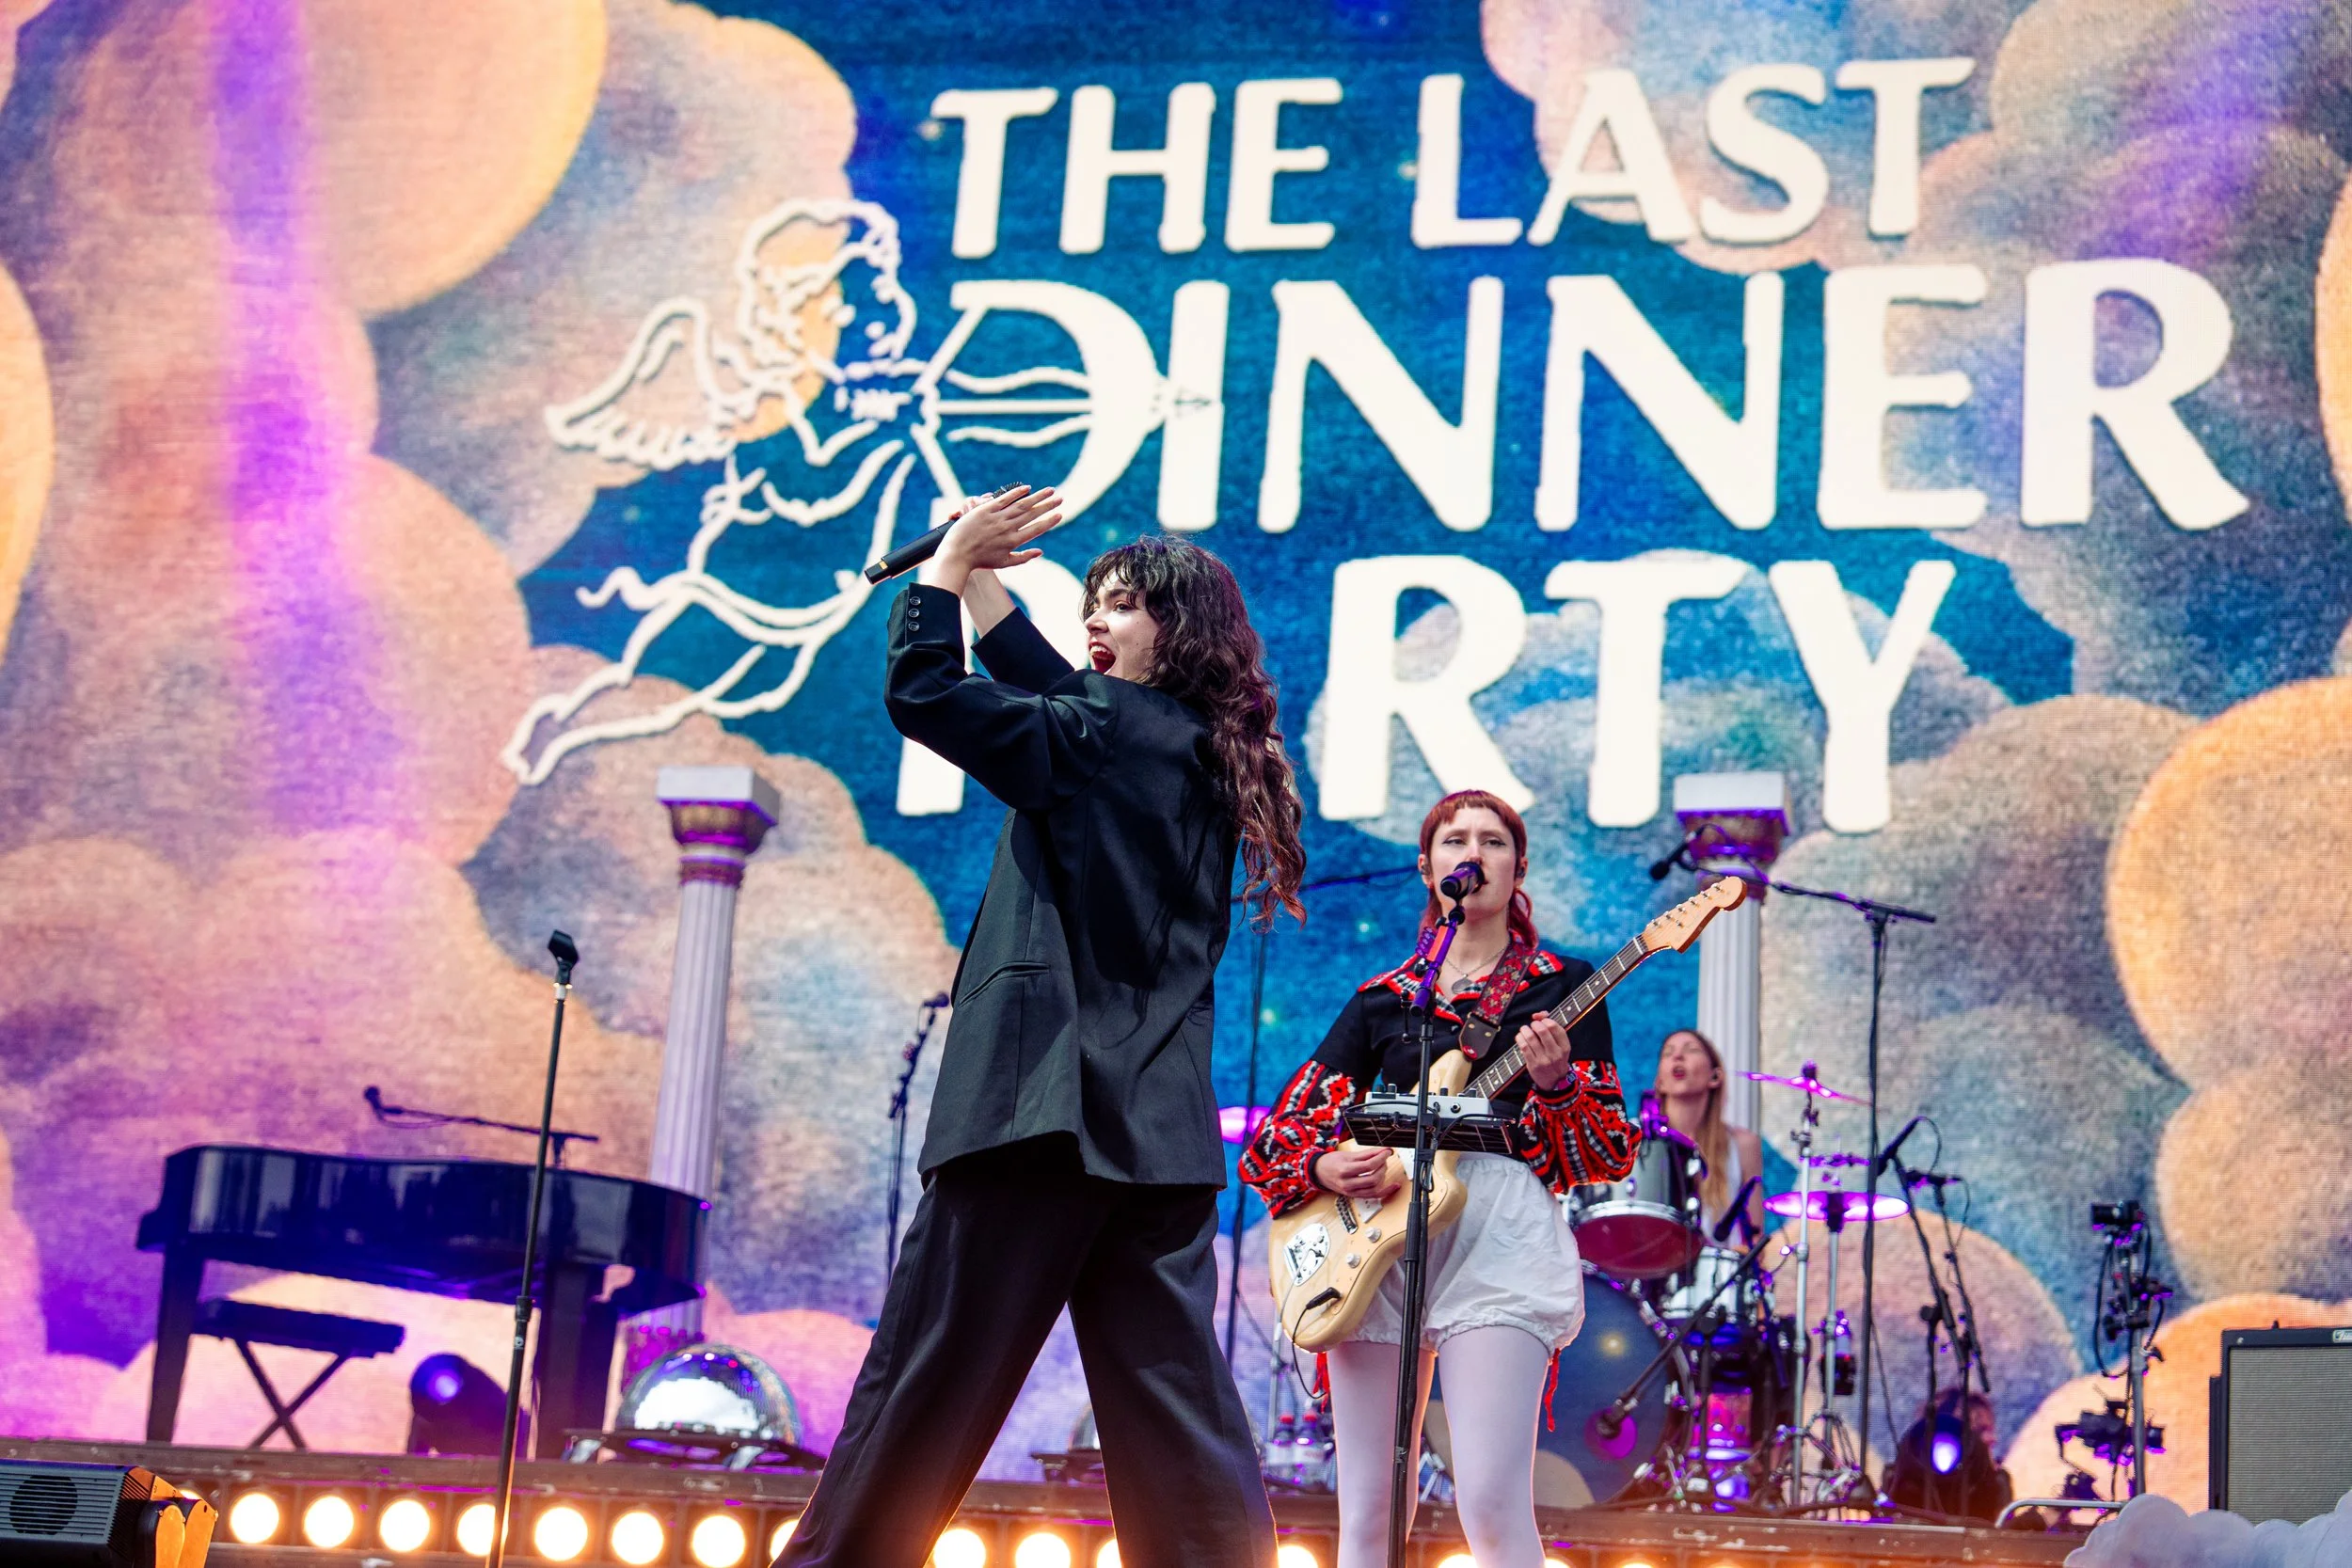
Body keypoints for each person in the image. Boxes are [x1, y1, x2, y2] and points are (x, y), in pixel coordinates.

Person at [780, 486, 1305, 1568]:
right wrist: (975, 576)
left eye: (1119, 605)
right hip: (1148, 1139)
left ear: (1179, 627)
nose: (1094, 620)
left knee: (925, 1380)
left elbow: (929, 694)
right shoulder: (1197, 747)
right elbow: (1066, 696)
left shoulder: (1105, 731)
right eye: (1091, 606)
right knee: (1180, 1427)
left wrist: (935, 584)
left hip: (1038, 1116)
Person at [1240, 790, 1639, 1568]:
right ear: (1428, 867)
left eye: (1494, 840)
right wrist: (1323, 1162)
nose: (1475, 851)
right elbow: (1276, 1139)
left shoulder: (1563, 986)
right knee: (1368, 1509)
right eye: (1456, 838)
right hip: (1376, 1242)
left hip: (1498, 1236)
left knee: (1488, 1501)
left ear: (1516, 868)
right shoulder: (1385, 1000)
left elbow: (1603, 1153)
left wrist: (1557, 1085)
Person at [1651, 1028, 1767, 1243]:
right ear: (1659, 1081)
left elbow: (1754, 1238)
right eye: (1668, 1053)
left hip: (1717, 1272)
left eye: (1691, 1050)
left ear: (1715, 1076)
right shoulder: (1640, 1142)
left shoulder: (1743, 1144)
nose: (1677, 1056)